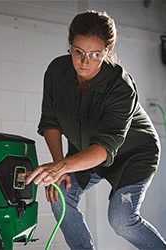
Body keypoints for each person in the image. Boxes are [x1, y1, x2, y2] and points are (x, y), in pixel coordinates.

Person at [25, 10, 166, 249]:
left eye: (95, 54)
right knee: (60, 195)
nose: (84, 61)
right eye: (78, 52)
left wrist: (59, 168)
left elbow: (105, 147)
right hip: (88, 149)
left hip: (133, 153)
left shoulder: (121, 86)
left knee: (121, 220)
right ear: (70, 45)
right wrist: (59, 165)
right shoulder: (56, 72)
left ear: (107, 53)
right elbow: (50, 122)